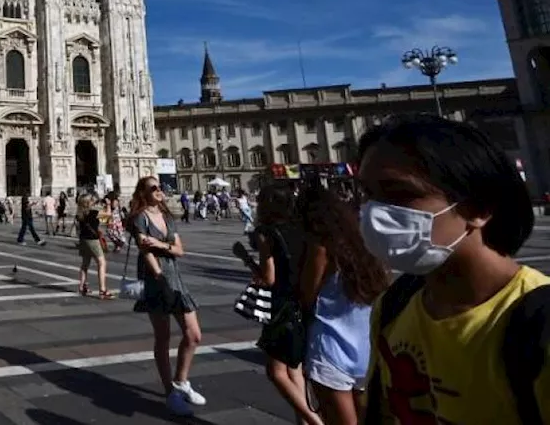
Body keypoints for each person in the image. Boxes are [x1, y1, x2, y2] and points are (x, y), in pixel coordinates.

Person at [358, 115, 549, 424]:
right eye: (368, 195)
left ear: (478, 209)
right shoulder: (394, 304)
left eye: (400, 194)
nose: (375, 213)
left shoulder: (538, 325)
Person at [293, 185, 388, 425]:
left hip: (331, 347)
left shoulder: (321, 246)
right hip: (367, 348)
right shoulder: (362, 243)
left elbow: (307, 294)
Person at [232, 185, 315, 425]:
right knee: (295, 369)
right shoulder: (301, 228)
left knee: (276, 372)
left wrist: (246, 258)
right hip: (301, 302)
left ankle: (315, 422)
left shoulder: (266, 233)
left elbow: (268, 279)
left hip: (281, 307)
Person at [128, 176, 205, 417]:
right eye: (154, 188)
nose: (159, 190)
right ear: (143, 193)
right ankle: (170, 392)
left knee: (193, 334)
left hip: (176, 277)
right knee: (162, 337)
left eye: (160, 187)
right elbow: (145, 250)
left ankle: (181, 381)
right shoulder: (139, 218)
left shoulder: (168, 217)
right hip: (157, 279)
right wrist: (159, 275)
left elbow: (180, 250)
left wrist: (161, 246)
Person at [75, 194, 112, 299]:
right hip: (92, 240)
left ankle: (82, 287)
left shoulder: (79, 214)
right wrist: (108, 205)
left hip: (83, 240)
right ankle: (102, 290)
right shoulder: (94, 213)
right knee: (102, 263)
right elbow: (108, 216)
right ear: (88, 203)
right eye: (92, 200)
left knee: (85, 264)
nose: (94, 202)